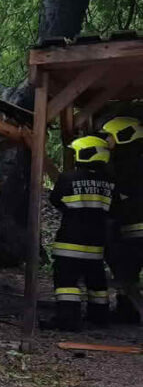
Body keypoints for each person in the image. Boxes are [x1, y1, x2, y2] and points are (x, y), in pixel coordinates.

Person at [49, 135, 115, 331]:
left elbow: (55, 200)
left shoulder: (68, 177)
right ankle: (99, 317)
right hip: (96, 242)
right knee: (96, 282)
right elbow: (114, 208)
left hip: (69, 241)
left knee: (66, 282)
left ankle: (68, 319)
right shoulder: (110, 181)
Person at [101, 116, 142, 322]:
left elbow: (120, 196)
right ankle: (129, 310)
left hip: (133, 229)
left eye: (110, 136)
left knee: (126, 272)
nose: (107, 141)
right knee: (128, 273)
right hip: (131, 227)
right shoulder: (131, 159)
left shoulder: (127, 164)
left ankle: (130, 310)